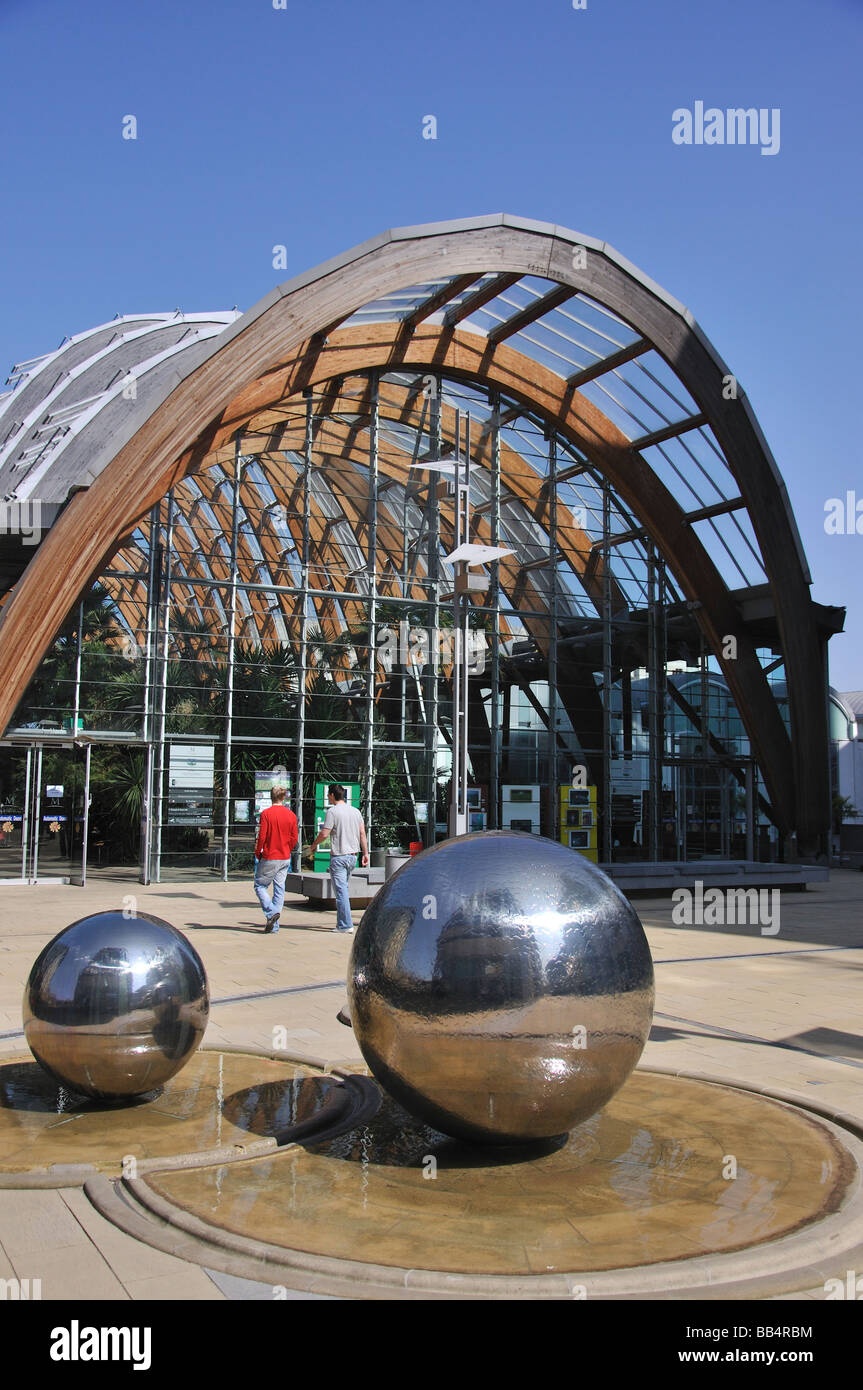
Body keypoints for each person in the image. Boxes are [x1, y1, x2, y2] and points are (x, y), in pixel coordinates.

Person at [307, 784, 368, 933]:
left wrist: (313, 845)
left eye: (329, 795)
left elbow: (324, 834)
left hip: (339, 856)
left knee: (341, 893)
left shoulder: (332, 812)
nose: (328, 797)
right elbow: (362, 833)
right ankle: (344, 923)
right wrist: (365, 853)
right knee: (343, 890)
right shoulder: (355, 811)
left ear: (333, 795)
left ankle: (345, 925)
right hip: (353, 856)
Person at [253, 785, 298, 933]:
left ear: (271, 797)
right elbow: (294, 838)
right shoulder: (291, 815)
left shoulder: (266, 814)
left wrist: (258, 850)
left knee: (260, 886)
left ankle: (271, 913)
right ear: (284, 797)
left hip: (270, 855)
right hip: (285, 856)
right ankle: (274, 926)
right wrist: (288, 848)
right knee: (279, 888)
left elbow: (262, 836)